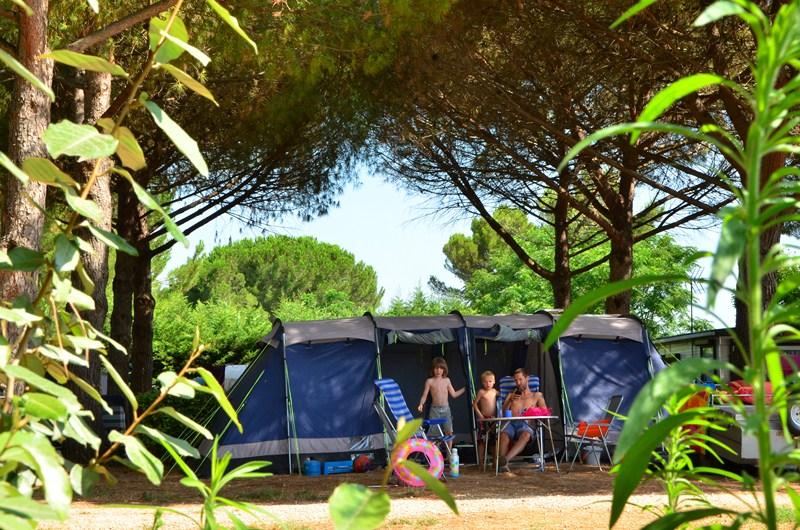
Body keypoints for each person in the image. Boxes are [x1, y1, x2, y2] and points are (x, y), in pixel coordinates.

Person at [498, 367, 547, 472]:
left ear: (527, 378)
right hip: (511, 423)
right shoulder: (511, 395)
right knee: (503, 435)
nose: (518, 383)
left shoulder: (536, 396)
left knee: (526, 435)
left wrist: (532, 412)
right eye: (516, 380)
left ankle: (504, 461)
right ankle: (502, 465)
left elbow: (545, 411)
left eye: (520, 379)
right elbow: (503, 413)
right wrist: (509, 401)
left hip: (526, 425)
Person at [417, 356, 465, 448]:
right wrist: (421, 404)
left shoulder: (447, 380)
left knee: (449, 432)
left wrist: (465, 389)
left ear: (444, 369)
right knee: (434, 434)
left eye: (441, 368)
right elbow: (424, 395)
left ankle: (449, 453)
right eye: (436, 368)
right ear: (432, 369)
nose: (438, 370)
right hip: (434, 410)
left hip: (446, 409)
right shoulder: (429, 381)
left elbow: (454, 394)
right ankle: (435, 453)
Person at [473, 370, 498, 467]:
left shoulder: (494, 391)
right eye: (485, 382)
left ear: (494, 382)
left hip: (493, 419)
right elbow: (474, 404)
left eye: (490, 381)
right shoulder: (481, 392)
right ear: (482, 382)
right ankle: (480, 462)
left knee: (494, 441)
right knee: (482, 441)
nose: (488, 384)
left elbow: (503, 397)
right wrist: (480, 415)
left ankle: (495, 461)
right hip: (484, 420)